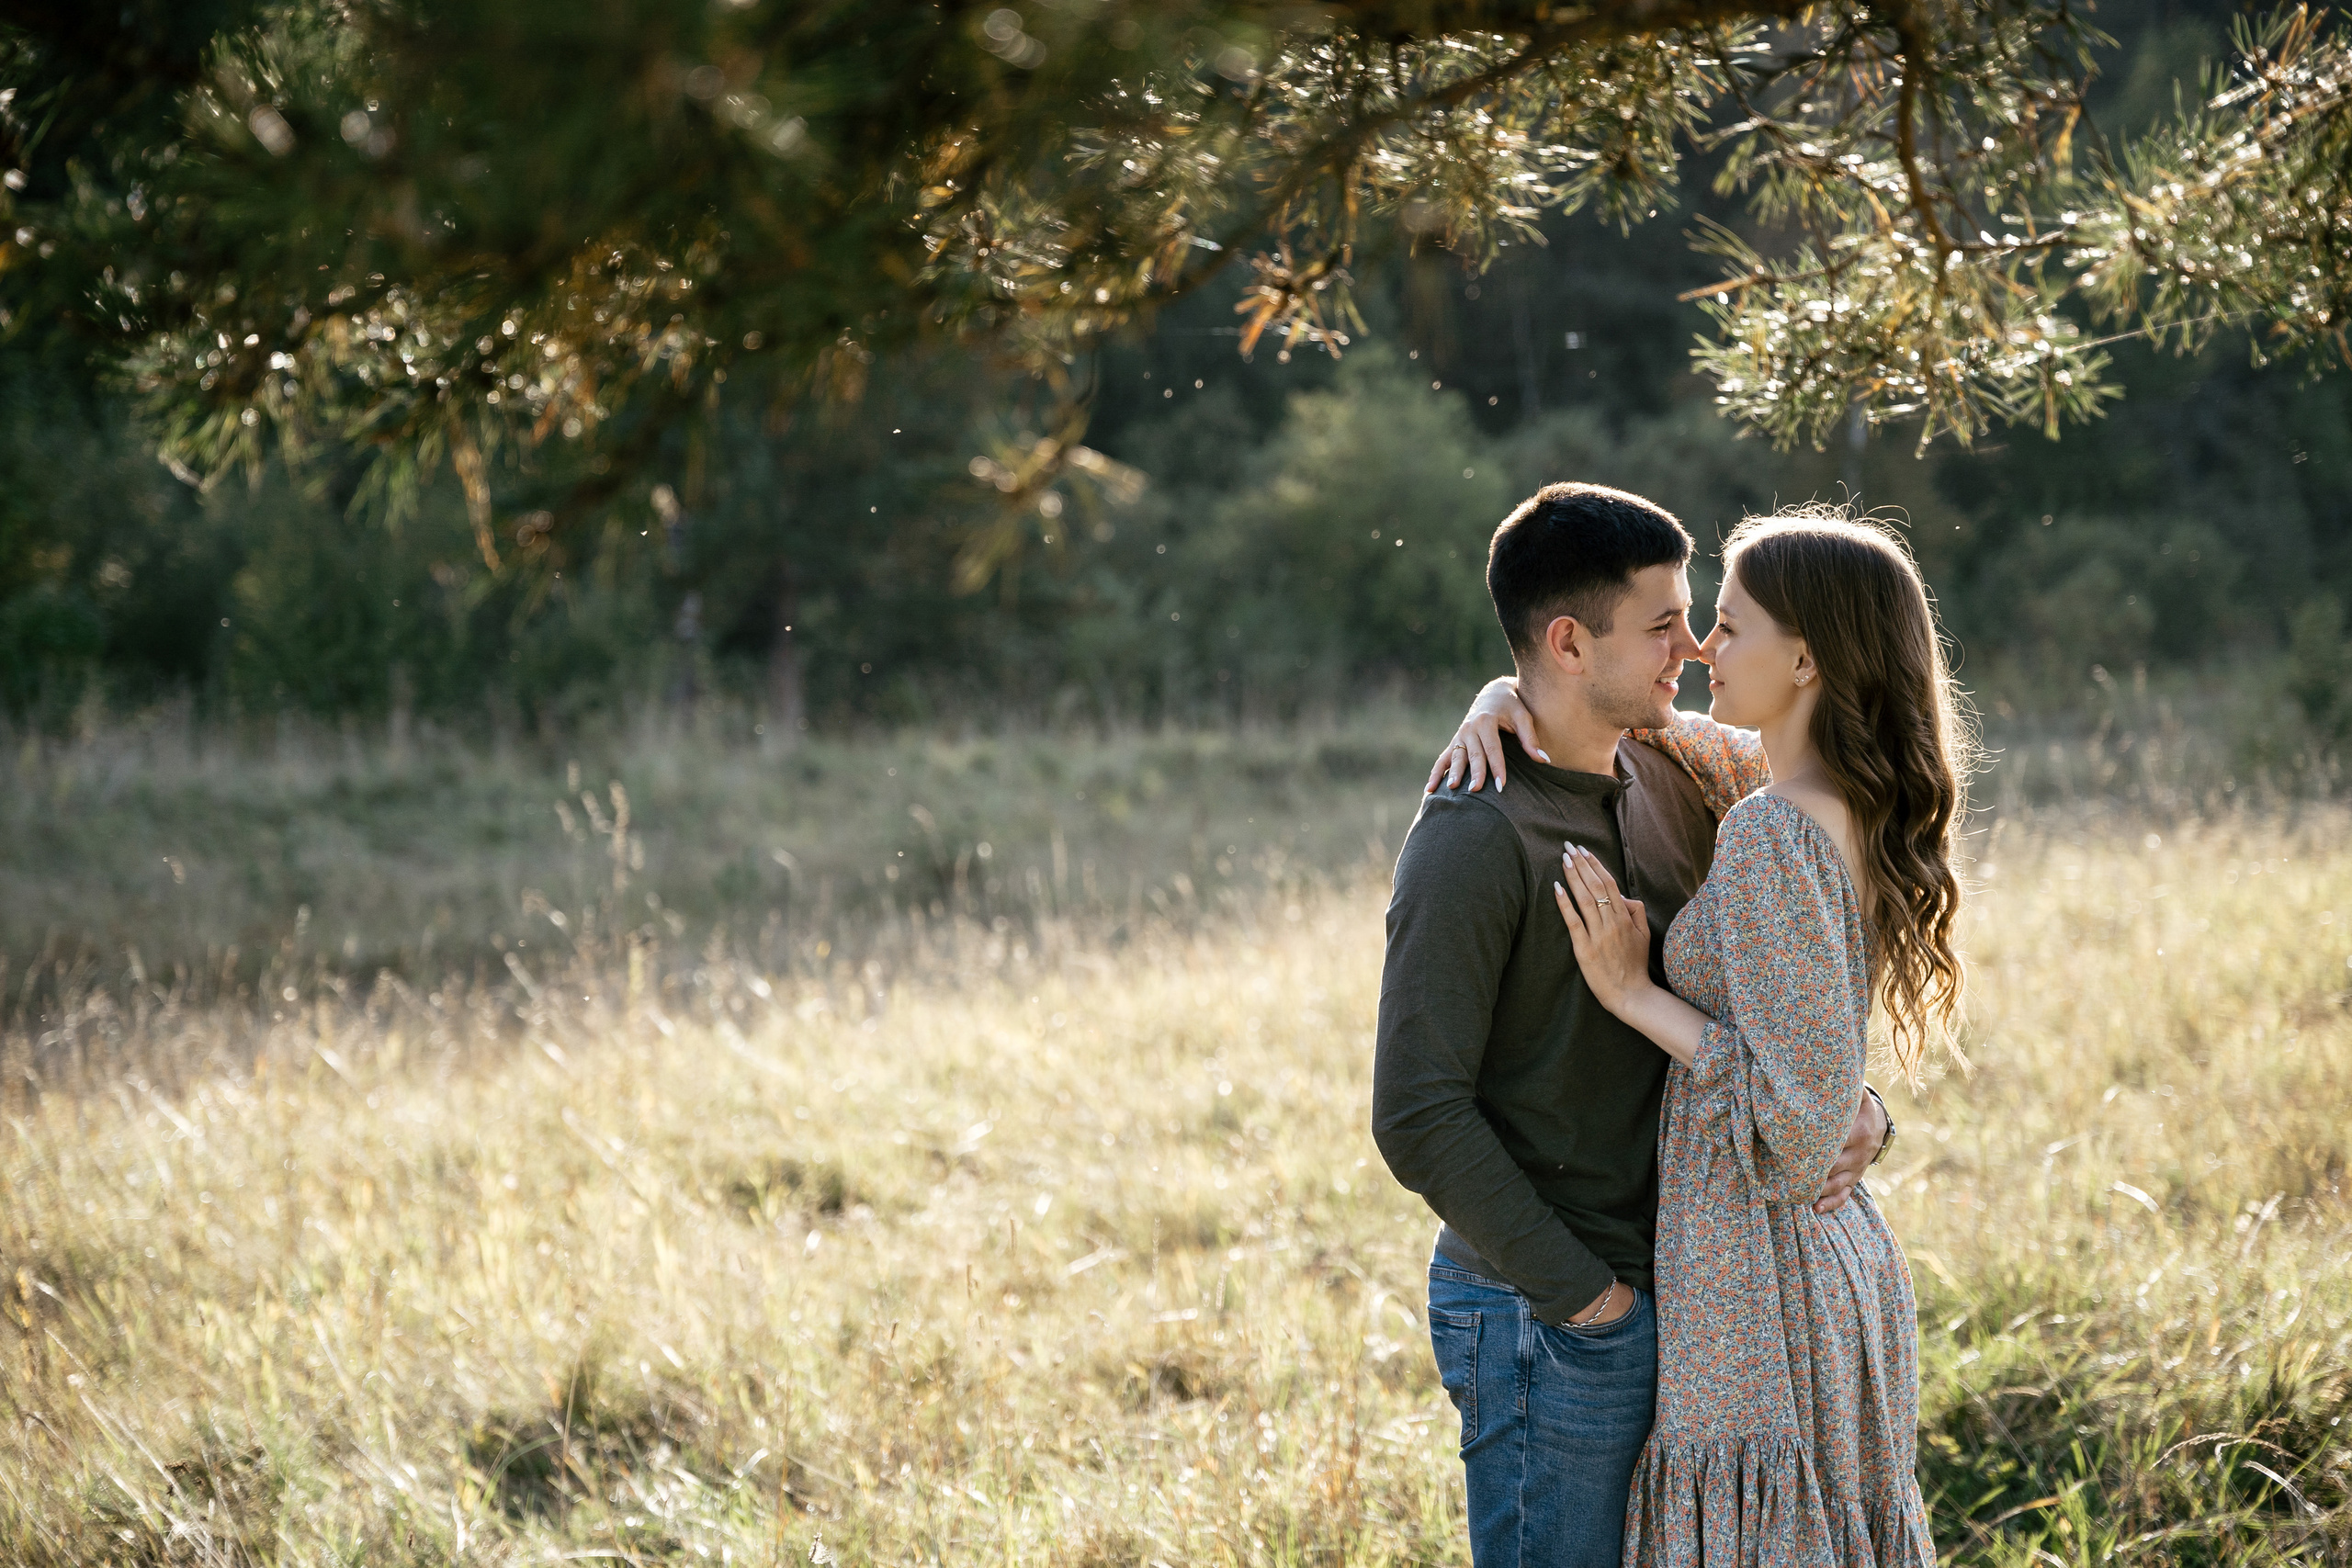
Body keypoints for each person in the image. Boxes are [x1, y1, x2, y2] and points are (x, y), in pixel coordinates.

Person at [1370, 484, 1892, 1568]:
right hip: (1550, 1313)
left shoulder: (1675, 770)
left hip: (1693, 1294)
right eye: (1662, 624)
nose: (1692, 647)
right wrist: (1589, 1307)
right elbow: (1417, 1114)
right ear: (1568, 641)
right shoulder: (1474, 836)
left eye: (1699, 618)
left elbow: (1801, 970)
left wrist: (1860, 1107)